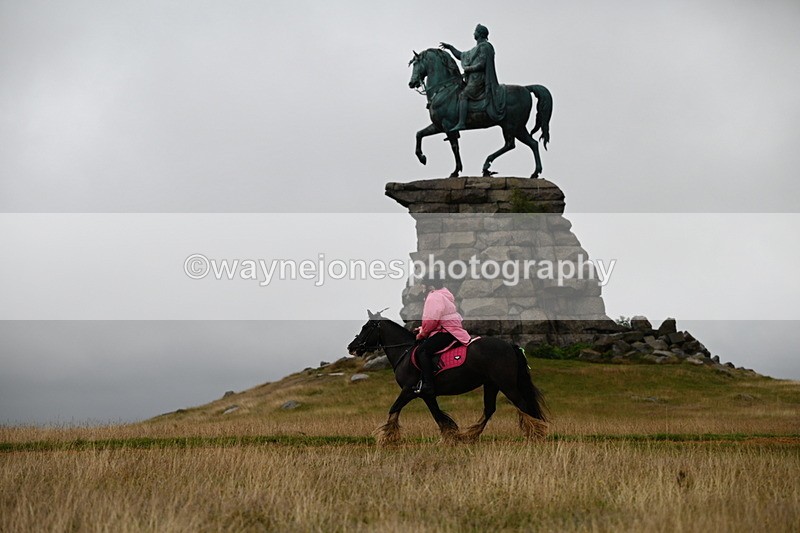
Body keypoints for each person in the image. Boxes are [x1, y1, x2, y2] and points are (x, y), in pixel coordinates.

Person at [440, 24, 506, 132]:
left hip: (479, 80)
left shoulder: (485, 46)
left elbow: (482, 64)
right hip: (473, 79)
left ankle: (461, 123)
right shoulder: (475, 49)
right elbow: (461, 55)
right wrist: (450, 48)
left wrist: (469, 69)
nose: (473, 33)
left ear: (479, 34)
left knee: (463, 95)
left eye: (475, 31)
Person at [412, 275, 471, 396]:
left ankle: (428, 385)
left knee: (422, 351)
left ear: (430, 286)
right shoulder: (444, 295)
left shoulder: (433, 296)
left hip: (446, 332)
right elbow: (439, 319)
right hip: (453, 330)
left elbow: (432, 320)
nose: (422, 288)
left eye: (424, 285)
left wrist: (422, 334)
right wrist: (422, 328)